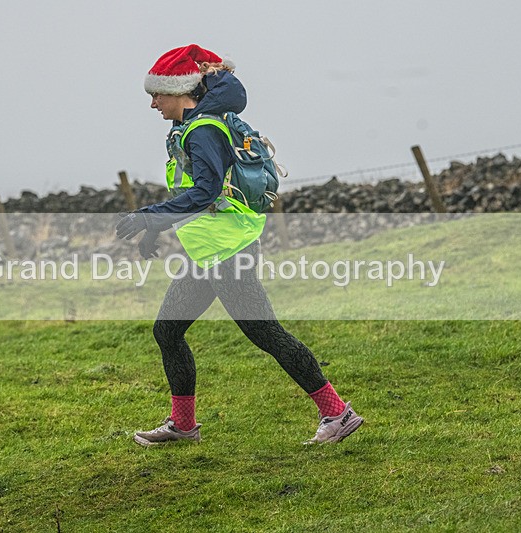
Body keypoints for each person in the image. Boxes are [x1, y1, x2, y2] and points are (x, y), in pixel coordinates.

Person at [115, 44, 362, 446]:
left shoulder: (204, 130)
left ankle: (337, 412)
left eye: (156, 95)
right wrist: (154, 232)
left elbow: (208, 190)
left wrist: (149, 216)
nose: (153, 103)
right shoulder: (188, 128)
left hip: (229, 252)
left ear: (181, 91)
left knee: (266, 334)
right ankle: (183, 426)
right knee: (168, 331)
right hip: (208, 252)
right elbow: (194, 191)